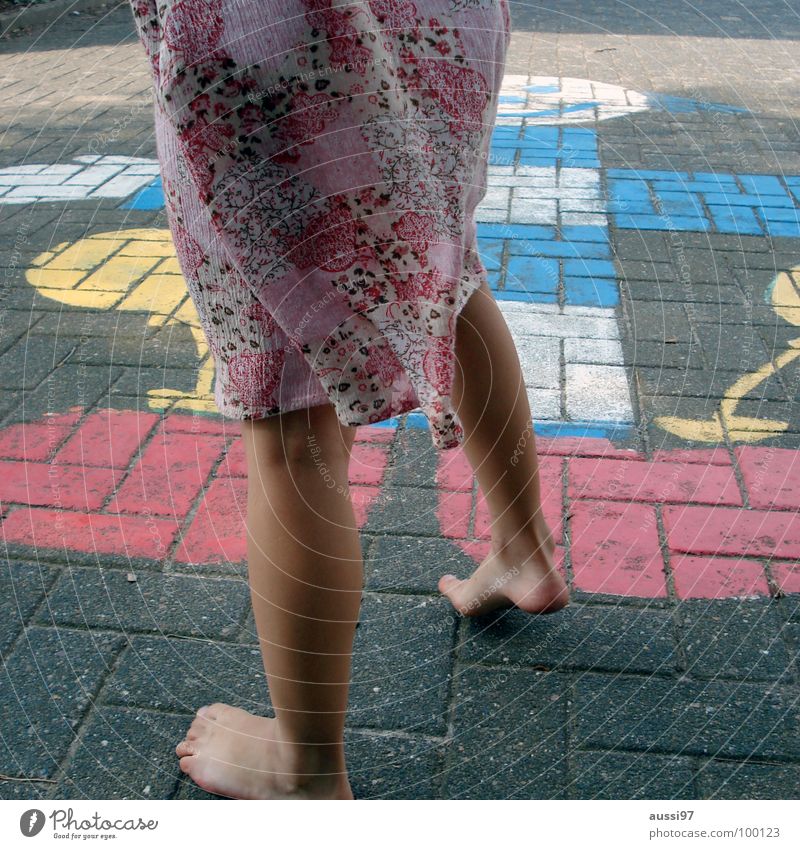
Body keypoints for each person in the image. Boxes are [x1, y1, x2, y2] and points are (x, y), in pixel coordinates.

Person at [128, 0, 569, 800]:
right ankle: (524, 550)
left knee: (289, 391)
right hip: (443, 16)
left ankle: (305, 766)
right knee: (447, 269)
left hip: (269, 31)